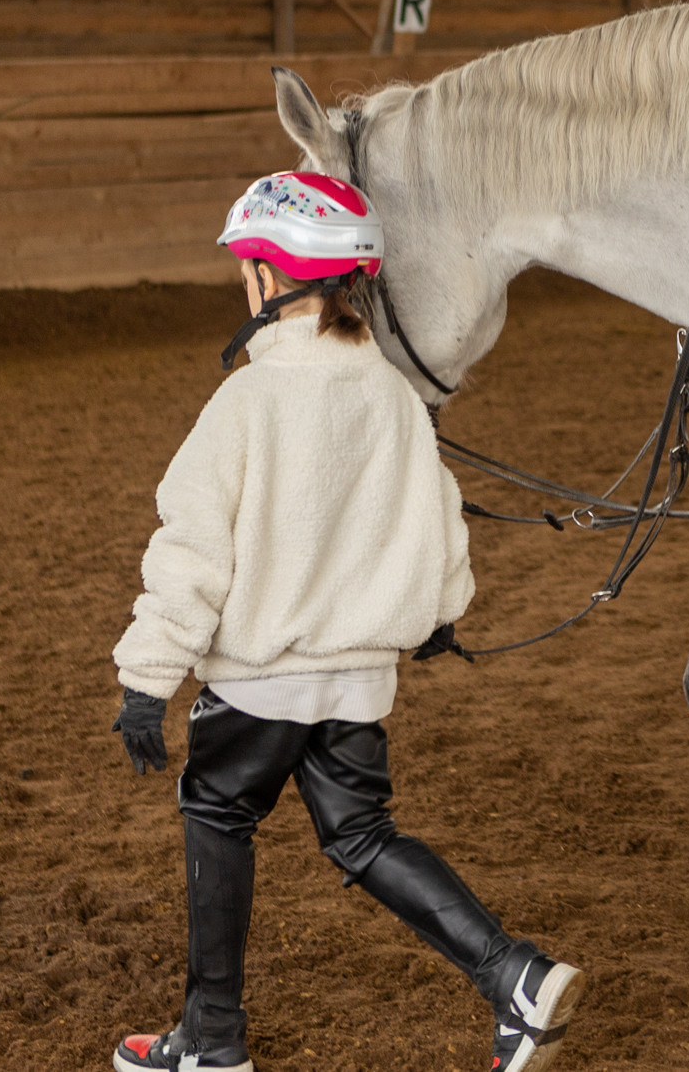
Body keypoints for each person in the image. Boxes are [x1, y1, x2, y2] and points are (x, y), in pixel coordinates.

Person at [107, 172, 583, 1072]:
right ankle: (513, 972)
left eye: (246, 265)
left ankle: (211, 1042)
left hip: (258, 681)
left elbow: (192, 547)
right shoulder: (395, 396)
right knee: (363, 836)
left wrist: (146, 678)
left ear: (271, 277)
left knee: (216, 812)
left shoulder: (246, 401)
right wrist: (441, 612)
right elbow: (436, 515)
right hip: (357, 683)